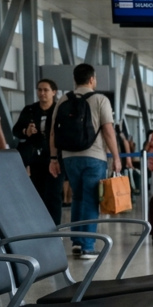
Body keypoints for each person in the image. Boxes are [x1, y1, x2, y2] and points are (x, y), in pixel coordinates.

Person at [48, 63, 122, 260]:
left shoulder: (63, 99)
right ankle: (88, 247)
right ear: (92, 79)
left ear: (75, 80)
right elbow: (108, 131)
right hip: (94, 156)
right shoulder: (100, 99)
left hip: (69, 157)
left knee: (78, 198)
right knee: (90, 200)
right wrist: (116, 156)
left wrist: (54, 158)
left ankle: (78, 242)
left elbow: (54, 132)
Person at [12, 78, 62, 224]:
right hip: (36, 157)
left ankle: (55, 226)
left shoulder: (59, 109)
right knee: (37, 193)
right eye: (39, 90)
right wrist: (25, 131)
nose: (42, 93)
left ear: (54, 92)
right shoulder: (30, 110)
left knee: (53, 193)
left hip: (55, 157)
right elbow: (16, 130)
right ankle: (40, 225)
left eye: (46, 90)